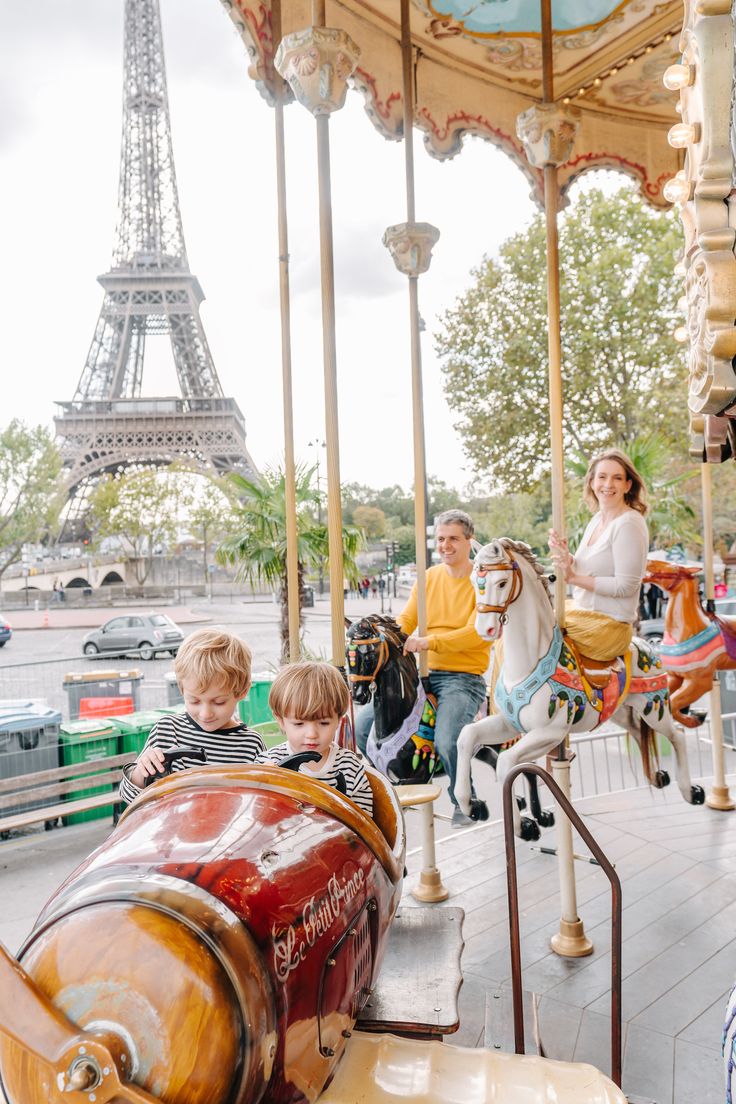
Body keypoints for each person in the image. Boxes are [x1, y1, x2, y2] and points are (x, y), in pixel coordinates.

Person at [356, 509, 491, 828]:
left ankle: (464, 799)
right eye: (441, 539)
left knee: (448, 739)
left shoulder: (481, 582)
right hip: (422, 674)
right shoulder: (428, 579)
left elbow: (477, 633)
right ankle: (393, 784)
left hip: (463, 677)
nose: (446, 545)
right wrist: (383, 632)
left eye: (454, 539)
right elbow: (405, 621)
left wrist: (428, 642)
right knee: (363, 727)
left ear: (469, 541)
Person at [120, 628, 265, 803]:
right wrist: (140, 773)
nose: (205, 714)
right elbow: (129, 798)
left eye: (219, 702)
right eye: (194, 701)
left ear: (242, 692)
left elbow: (259, 804)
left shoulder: (251, 745)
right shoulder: (167, 730)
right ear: (182, 689)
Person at [549, 448, 649, 662]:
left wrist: (574, 578)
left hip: (609, 624)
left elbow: (626, 586)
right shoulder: (596, 520)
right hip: (583, 611)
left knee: (545, 638)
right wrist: (568, 559)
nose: (608, 484)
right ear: (592, 482)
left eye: (617, 478)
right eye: (602, 477)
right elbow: (588, 567)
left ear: (627, 485)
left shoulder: (629, 523)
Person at [259, 660, 373, 816]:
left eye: (324, 723)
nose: (312, 734)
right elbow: (257, 817)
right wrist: (263, 783)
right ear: (281, 721)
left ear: (338, 720)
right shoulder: (267, 763)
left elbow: (364, 823)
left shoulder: (349, 766)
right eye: (299, 723)